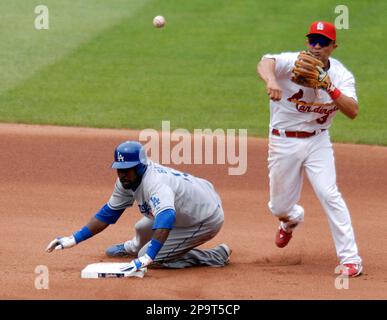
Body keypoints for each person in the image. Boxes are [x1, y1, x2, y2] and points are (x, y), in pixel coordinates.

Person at [257, 21, 362, 277]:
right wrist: (272, 80)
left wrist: (328, 86)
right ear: (307, 42)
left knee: (329, 194)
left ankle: (351, 259)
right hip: (283, 142)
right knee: (279, 208)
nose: (316, 46)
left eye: (323, 42)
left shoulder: (342, 76)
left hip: (318, 141)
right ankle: (291, 219)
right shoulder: (292, 61)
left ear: (333, 47)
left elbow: (352, 111)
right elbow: (265, 61)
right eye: (312, 40)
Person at [46, 141, 231, 273]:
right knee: (141, 227)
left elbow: (166, 218)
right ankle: (134, 248)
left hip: (204, 218)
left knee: (153, 257)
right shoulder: (126, 181)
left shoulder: (155, 183)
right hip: (193, 199)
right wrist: (73, 239)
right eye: (119, 169)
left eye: (126, 170)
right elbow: (108, 214)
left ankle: (216, 256)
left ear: (141, 167)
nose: (121, 175)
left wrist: (148, 257)